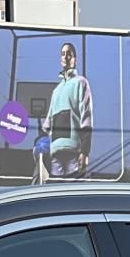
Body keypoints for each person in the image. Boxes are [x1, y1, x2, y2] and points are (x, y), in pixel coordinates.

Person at [37, 41, 94, 181]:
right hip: (55, 151)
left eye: (69, 54)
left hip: (73, 150)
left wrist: (85, 152)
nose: (66, 57)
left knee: (72, 190)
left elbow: (86, 117)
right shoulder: (56, 90)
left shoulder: (81, 82)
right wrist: (40, 142)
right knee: (56, 192)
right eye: (63, 54)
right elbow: (49, 121)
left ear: (75, 58)